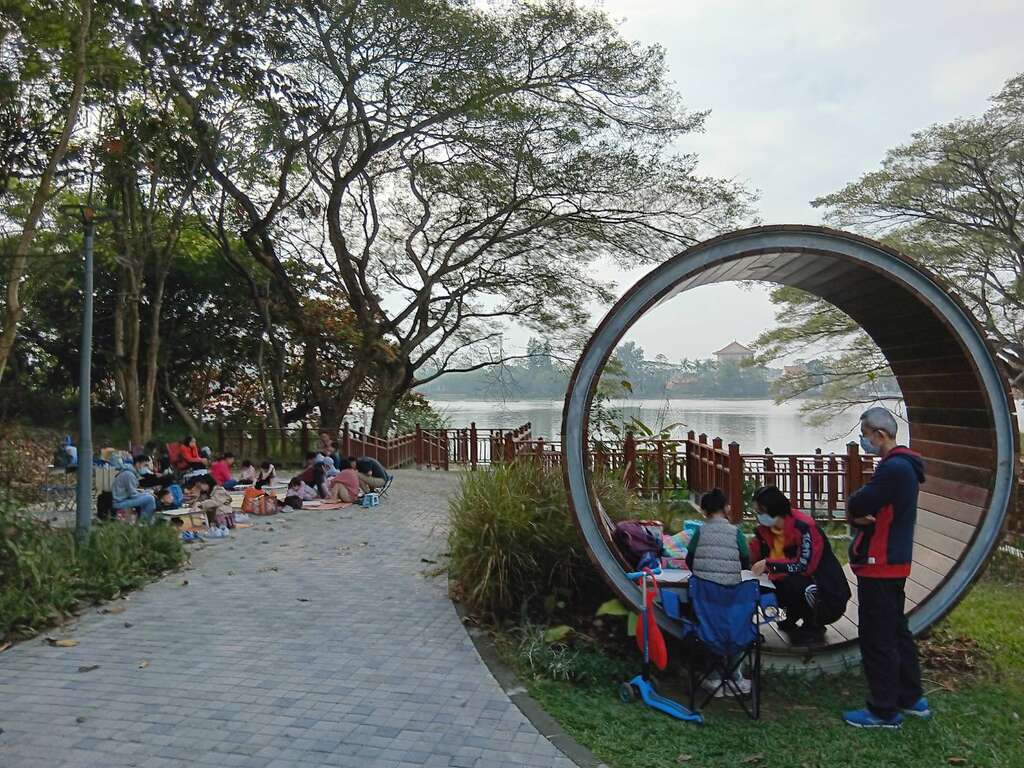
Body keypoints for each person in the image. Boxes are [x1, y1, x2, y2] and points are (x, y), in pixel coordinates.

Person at [842, 406, 928, 729]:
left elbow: (859, 503)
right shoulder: (906, 466)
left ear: (880, 434)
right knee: (896, 630)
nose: (864, 441)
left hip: (880, 561)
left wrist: (855, 509)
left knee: (878, 636)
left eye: (865, 435)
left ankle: (883, 710)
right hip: (895, 560)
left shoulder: (893, 469)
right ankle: (910, 696)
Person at [749, 485, 850, 645]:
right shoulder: (765, 531)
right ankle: (793, 614)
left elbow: (805, 566)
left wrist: (770, 564)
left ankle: (814, 623)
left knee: (796, 583)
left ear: (774, 509)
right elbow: (753, 555)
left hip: (826, 592)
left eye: (761, 511)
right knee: (758, 585)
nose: (758, 516)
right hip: (787, 583)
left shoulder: (804, 528)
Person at [685, 488, 752, 697]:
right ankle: (735, 678)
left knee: (708, 625)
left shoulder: (700, 532)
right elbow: (745, 561)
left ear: (704, 511)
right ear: (726, 508)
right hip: (732, 599)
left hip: (704, 600)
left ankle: (713, 677)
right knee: (736, 625)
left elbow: (689, 559)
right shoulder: (736, 533)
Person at [110, 454, 157, 523]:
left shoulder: (130, 472)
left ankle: (143, 520)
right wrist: (146, 494)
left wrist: (145, 493)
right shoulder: (129, 474)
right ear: (137, 464)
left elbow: (132, 491)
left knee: (147, 496)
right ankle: (144, 523)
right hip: (119, 503)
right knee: (150, 499)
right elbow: (133, 495)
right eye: (145, 465)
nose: (146, 468)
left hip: (123, 499)